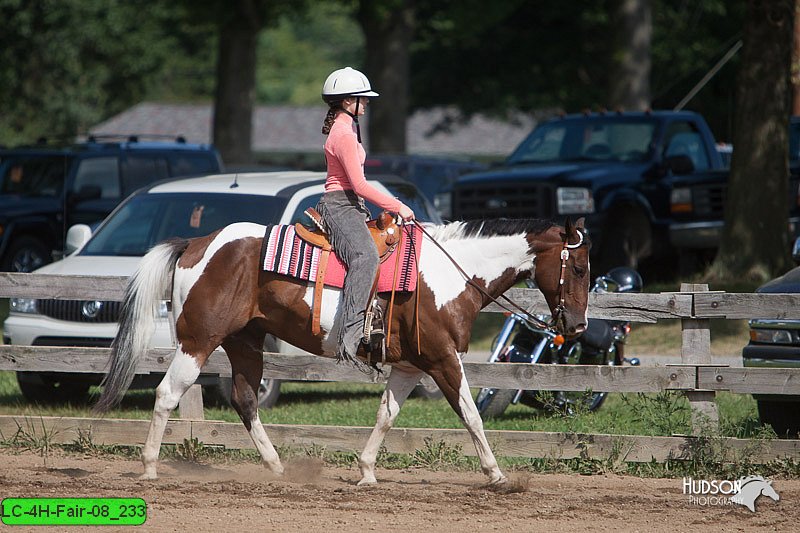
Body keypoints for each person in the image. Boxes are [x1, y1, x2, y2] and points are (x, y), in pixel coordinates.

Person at [316, 66, 415, 365]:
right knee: (366, 257)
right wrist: (397, 206)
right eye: (363, 98)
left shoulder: (346, 128)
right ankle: (351, 335)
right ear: (348, 102)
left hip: (351, 204)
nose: (367, 103)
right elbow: (358, 184)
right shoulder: (344, 134)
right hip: (340, 205)